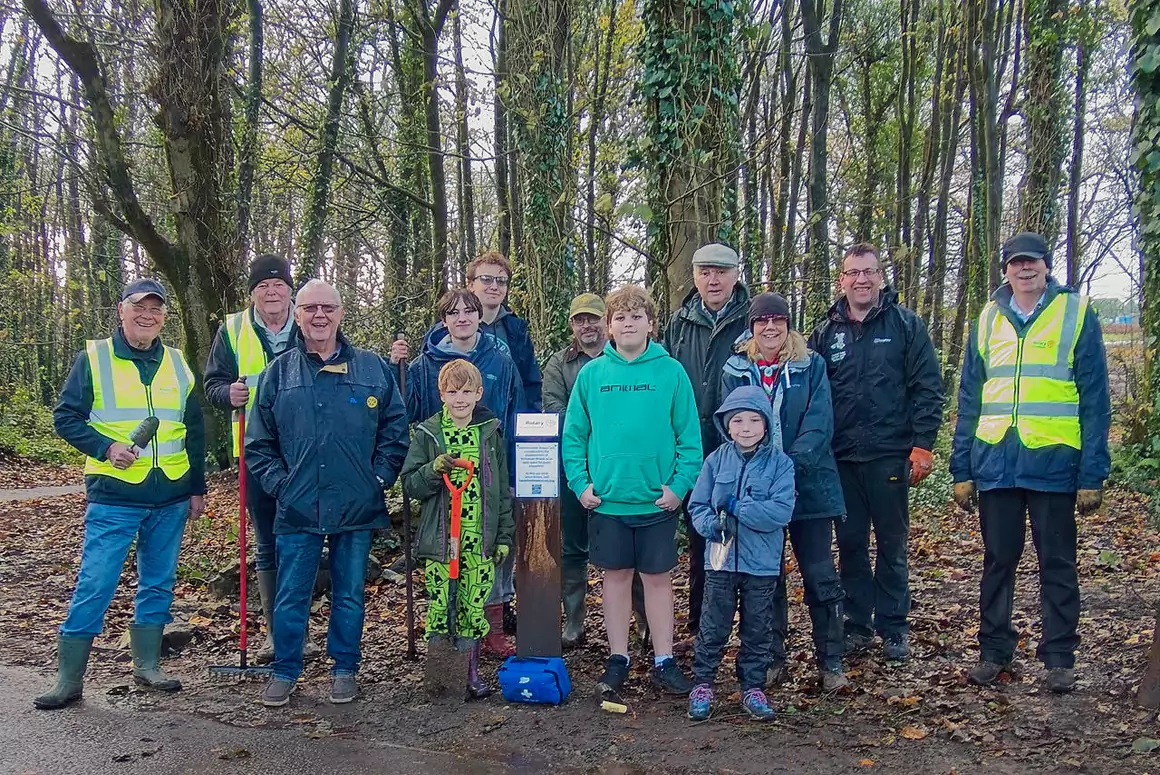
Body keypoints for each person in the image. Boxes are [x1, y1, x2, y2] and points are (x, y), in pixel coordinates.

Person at [950, 232, 1110, 694]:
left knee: (1057, 562)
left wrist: (1092, 472)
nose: (1025, 270)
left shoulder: (1075, 313)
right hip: (996, 461)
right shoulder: (987, 317)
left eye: (1033, 262)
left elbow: (1095, 398)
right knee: (998, 561)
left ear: (1046, 266)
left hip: (1055, 462)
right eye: (1016, 263)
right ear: (1005, 270)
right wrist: (962, 468)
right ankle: (994, 651)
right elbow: (970, 395)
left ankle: (1059, 657)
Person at [37, 278, 206, 710]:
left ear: (164, 316)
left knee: (159, 582)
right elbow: (66, 417)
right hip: (114, 496)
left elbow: (194, 429)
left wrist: (196, 486)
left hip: (170, 494)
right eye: (139, 307)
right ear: (121, 310)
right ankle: (69, 680)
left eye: (156, 309)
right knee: (96, 582)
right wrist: (106, 447)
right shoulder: (93, 359)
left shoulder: (177, 362)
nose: (147, 315)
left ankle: (146, 666)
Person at [246, 280, 409, 707]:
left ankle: (344, 668)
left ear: (340, 313)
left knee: (350, 591)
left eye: (328, 308)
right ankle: (284, 670)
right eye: (310, 308)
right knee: (291, 592)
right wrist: (281, 486)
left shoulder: (373, 369)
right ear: (297, 315)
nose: (319, 316)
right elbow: (258, 445)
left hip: (357, 504)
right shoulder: (277, 374)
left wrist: (378, 479)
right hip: (297, 505)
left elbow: (395, 432)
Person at [562, 284, 701, 696]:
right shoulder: (592, 375)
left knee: (658, 581)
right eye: (619, 317)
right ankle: (618, 657)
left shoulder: (671, 372)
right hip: (607, 502)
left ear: (650, 324)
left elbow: (690, 439)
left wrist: (679, 487)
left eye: (635, 316)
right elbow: (574, 437)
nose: (627, 323)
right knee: (615, 580)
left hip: (656, 501)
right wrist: (580, 483)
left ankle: (664, 659)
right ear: (609, 326)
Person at [808, 243, 944, 662]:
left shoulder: (905, 326)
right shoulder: (825, 332)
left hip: (889, 454)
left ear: (881, 278)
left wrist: (922, 445)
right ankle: (857, 624)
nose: (861, 280)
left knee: (891, 543)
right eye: (853, 272)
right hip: (842, 458)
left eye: (869, 272)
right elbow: (811, 393)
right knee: (849, 544)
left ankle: (893, 626)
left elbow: (928, 387)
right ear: (842, 279)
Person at [721, 292, 848, 690]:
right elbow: (728, 422)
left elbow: (819, 420)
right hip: (756, 490)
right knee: (766, 578)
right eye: (763, 321)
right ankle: (770, 658)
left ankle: (831, 662)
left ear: (789, 324)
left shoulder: (811, 365)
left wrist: (789, 469)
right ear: (752, 327)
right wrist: (761, 476)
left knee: (819, 574)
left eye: (778, 320)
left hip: (809, 486)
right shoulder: (735, 369)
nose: (770, 327)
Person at [407, 288, 522, 657]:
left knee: (482, 575)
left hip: (484, 500)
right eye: (453, 313)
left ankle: (483, 642)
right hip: (443, 511)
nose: (462, 318)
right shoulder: (424, 367)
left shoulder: (500, 360)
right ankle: (445, 655)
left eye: (469, 311)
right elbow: (405, 410)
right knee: (443, 586)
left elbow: (516, 404)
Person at [401, 360, 515, 698]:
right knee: (441, 602)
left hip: (479, 541)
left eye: (467, 391)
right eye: (453, 392)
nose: (460, 398)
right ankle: (441, 678)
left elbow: (501, 490)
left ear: (479, 393)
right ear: (442, 395)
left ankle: (470, 675)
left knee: (472, 604)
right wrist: (433, 470)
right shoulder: (429, 434)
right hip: (441, 540)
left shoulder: (490, 434)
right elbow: (410, 484)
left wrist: (504, 536)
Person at [686, 385, 796, 721]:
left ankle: (753, 687)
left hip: (761, 565)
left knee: (758, 627)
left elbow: (780, 512)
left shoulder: (781, 465)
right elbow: (699, 505)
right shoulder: (715, 461)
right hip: (720, 561)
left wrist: (738, 507)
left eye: (753, 420)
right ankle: (703, 684)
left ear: (765, 424)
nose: (745, 427)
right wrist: (711, 526)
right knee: (713, 625)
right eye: (737, 420)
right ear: (726, 425)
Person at [665, 242, 752, 635]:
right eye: (705, 271)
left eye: (721, 271)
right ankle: (703, 625)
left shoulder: (755, 319)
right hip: (690, 449)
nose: (713, 279)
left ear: (736, 274)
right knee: (702, 539)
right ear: (695, 277)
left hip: (744, 447)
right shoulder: (679, 323)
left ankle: (755, 630)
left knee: (748, 537)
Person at [542, 292, 607, 648]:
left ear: (605, 321)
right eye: (580, 320)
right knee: (572, 547)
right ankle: (575, 623)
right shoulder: (559, 363)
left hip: (618, 467)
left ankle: (641, 622)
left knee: (628, 547)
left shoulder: (623, 358)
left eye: (593, 318)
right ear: (572, 325)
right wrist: (597, 424)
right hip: (573, 465)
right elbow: (553, 410)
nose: (587, 326)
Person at [466, 251, 543, 410]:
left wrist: (527, 425)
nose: (494, 287)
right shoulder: (451, 326)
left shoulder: (517, 330)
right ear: (471, 285)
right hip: (461, 424)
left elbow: (530, 384)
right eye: (486, 279)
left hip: (506, 424)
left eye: (501, 281)